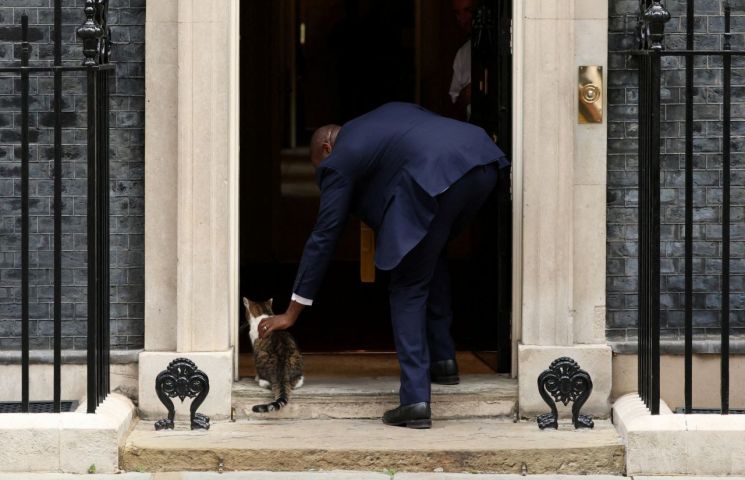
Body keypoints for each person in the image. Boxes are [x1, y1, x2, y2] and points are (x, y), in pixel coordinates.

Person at [257, 102, 509, 429]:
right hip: (482, 160)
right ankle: (444, 362)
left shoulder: (341, 156)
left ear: (326, 148)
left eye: (321, 170)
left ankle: (415, 400)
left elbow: (324, 234)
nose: (325, 179)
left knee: (407, 286)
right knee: (429, 256)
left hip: (436, 174)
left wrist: (292, 311)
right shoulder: (382, 117)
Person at [449, 0, 476, 120]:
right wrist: (465, 96)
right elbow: (454, 105)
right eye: (457, 13)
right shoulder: (462, 53)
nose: (462, 19)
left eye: (467, 11)